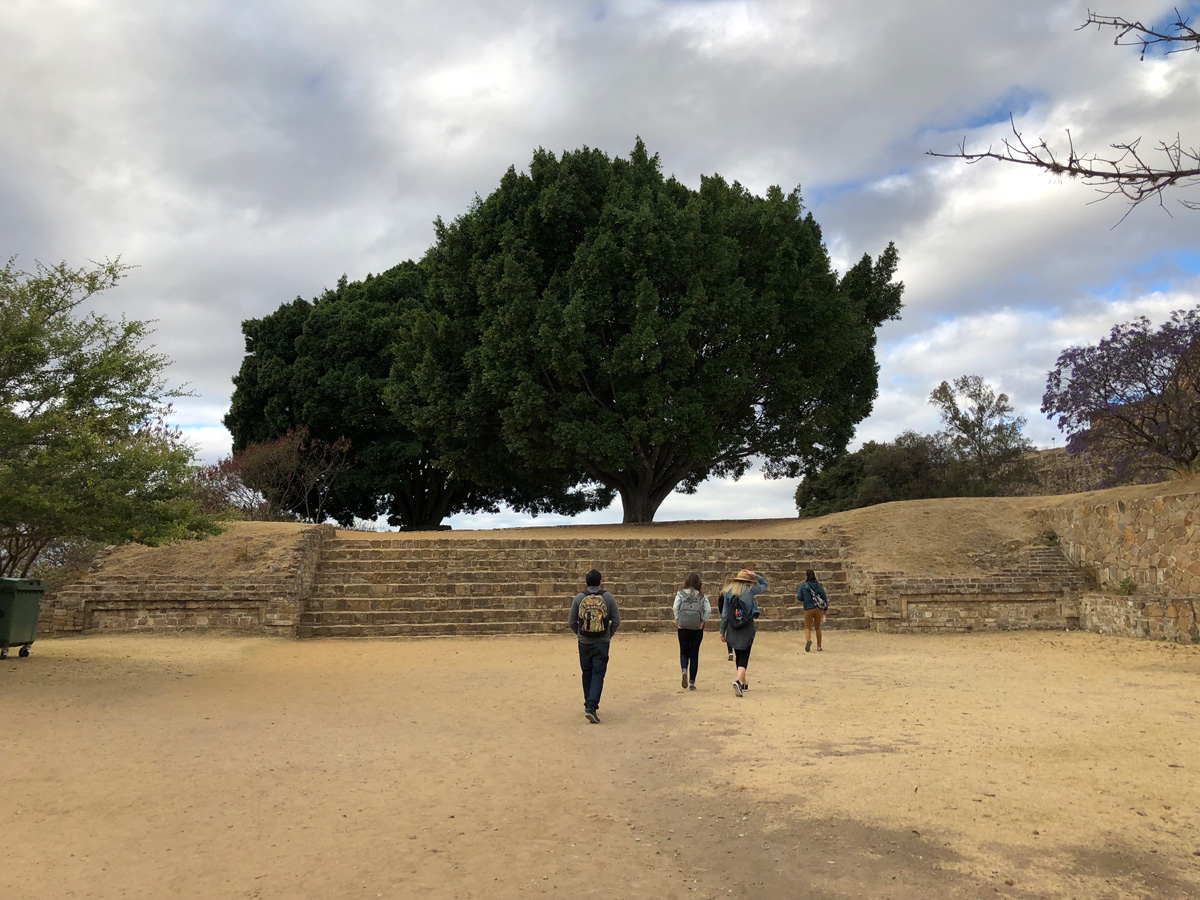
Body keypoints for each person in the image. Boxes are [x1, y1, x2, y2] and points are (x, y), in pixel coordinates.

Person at [568, 569, 620, 724]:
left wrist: (580, 634)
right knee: (598, 673)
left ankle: (588, 702)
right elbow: (616, 621)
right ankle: (591, 707)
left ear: (586, 582)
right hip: (601, 641)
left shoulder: (579, 598)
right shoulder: (608, 598)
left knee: (587, 672)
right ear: (601, 582)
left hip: (584, 642)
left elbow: (571, 621)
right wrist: (607, 635)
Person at [719, 569, 767, 697]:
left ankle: (743, 683)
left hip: (733, 626)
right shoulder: (750, 590)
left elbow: (724, 614)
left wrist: (722, 630)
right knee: (744, 655)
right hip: (747, 625)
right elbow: (764, 585)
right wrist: (755, 575)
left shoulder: (728, 592)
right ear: (747, 581)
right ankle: (738, 681)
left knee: (738, 654)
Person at [672, 573, 710, 690]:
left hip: (683, 627)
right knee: (694, 654)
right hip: (696, 628)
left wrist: (678, 620)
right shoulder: (701, 596)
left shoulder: (681, 594)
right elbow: (708, 610)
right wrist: (703, 621)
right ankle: (692, 682)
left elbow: (675, 607)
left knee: (684, 651)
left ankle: (684, 670)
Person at [797, 568, 829, 652]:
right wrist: (826, 608)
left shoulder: (803, 586)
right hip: (817, 609)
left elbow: (799, 597)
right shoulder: (818, 586)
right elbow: (824, 597)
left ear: (806, 576)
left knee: (807, 627)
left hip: (807, 609)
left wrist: (806, 599)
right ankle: (819, 646)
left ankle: (808, 640)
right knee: (818, 628)